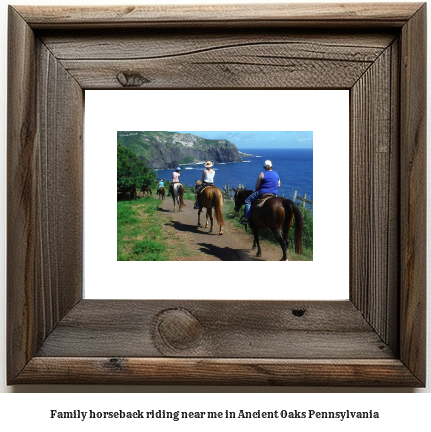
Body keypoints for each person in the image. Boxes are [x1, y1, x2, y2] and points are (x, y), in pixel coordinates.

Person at [241, 160, 280, 225]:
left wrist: (257, 190)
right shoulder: (276, 174)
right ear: (271, 166)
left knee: (247, 201)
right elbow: (278, 185)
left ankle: (247, 219)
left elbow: (257, 186)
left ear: (264, 167)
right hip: (274, 193)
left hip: (263, 192)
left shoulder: (262, 174)